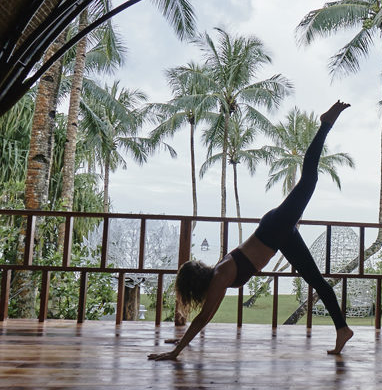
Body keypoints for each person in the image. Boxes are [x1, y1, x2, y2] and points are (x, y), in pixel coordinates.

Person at [148, 101, 354, 361]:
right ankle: (343, 329)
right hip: (278, 234)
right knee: (317, 282)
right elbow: (204, 318)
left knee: (309, 179)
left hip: (275, 228)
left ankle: (325, 124)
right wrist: (181, 342)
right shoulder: (219, 274)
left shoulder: (221, 275)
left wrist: (175, 352)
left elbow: (203, 317)